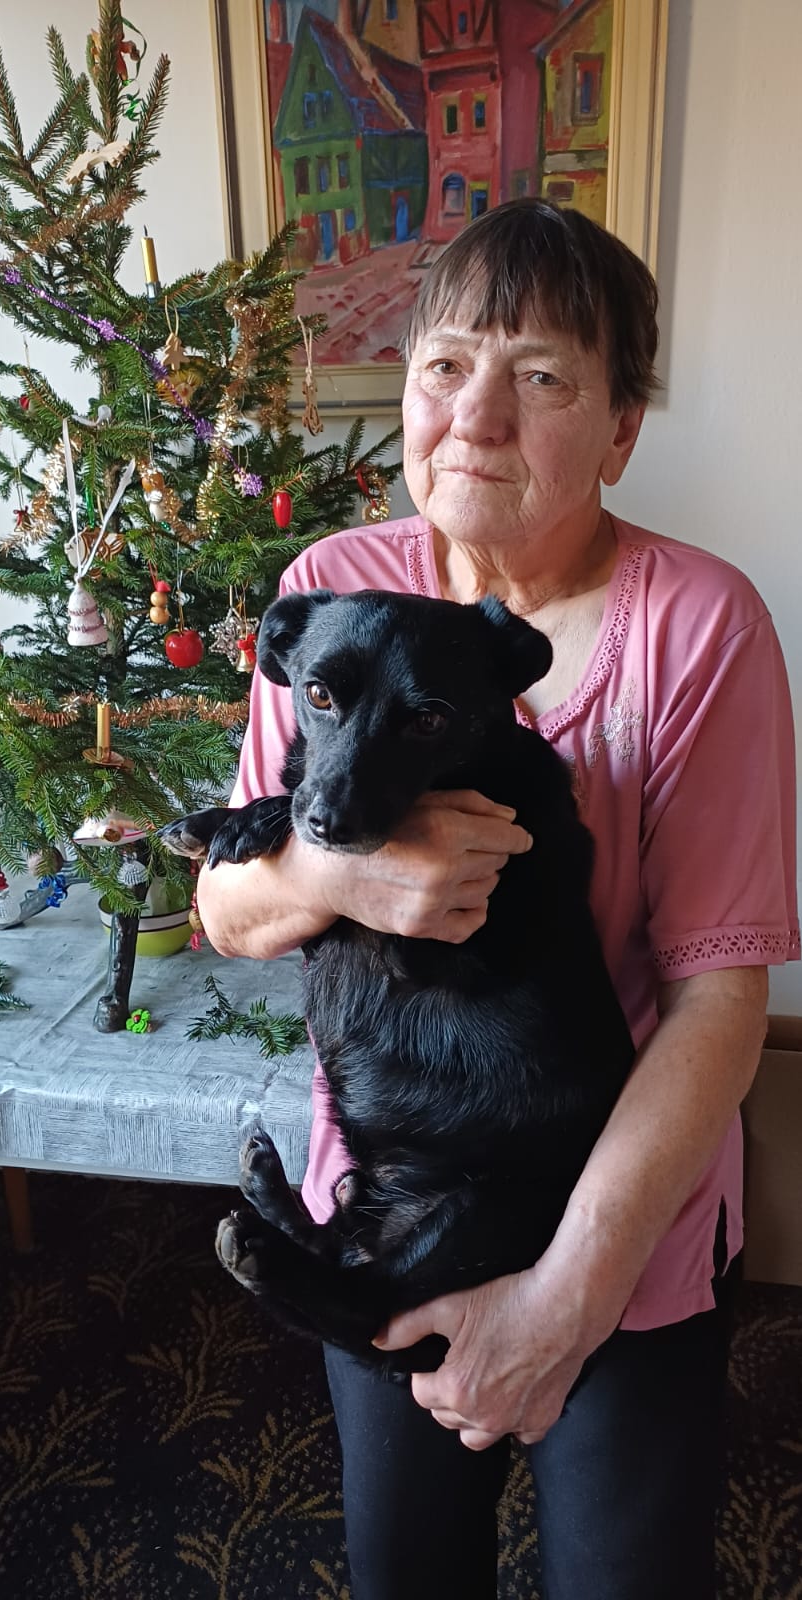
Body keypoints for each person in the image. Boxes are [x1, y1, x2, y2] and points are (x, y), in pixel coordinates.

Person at [196, 199, 799, 1600]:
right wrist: (345, 869)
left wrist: (561, 1303)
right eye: (446, 366)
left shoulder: (700, 624)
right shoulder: (332, 590)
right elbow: (231, 913)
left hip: (617, 1217)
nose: (477, 417)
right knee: (405, 1573)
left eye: (542, 376)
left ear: (623, 428)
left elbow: (720, 1001)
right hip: (394, 1191)